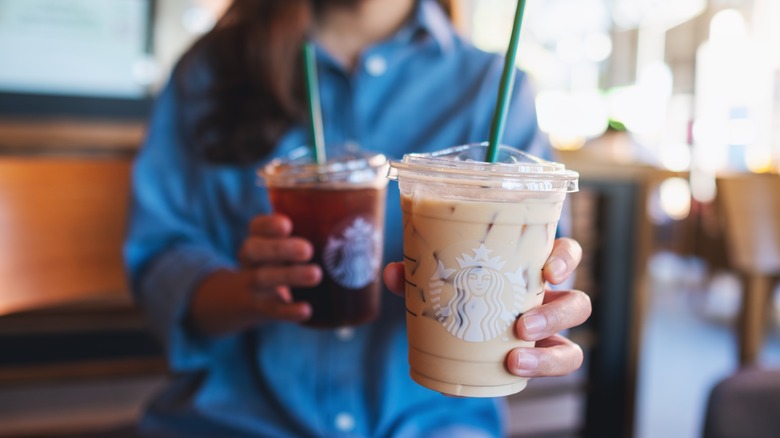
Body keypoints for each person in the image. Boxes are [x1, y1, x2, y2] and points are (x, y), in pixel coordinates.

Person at [124, 0, 592, 436]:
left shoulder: (492, 86)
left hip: (433, 421)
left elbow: (540, 288)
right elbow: (160, 259)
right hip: (240, 419)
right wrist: (248, 291)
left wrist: (543, 311)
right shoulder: (212, 71)